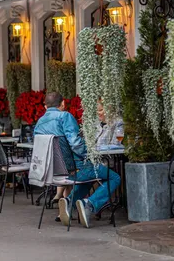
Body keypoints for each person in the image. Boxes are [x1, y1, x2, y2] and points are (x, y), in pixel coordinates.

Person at [34, 92, 120, 228]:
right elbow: (76, 144)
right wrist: (90, 154)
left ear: (46, 107)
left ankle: (69, 202)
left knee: (89, 177)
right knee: (114, 177)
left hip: (51, 172)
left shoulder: (39, 123)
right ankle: (89, 204)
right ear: (62, 104)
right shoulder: (65, 116)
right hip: (73, 170)